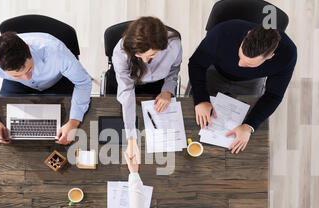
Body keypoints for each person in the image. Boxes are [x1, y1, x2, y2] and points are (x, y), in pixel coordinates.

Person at [188, 19, 297, 154]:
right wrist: (201, 99)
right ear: (247, 35)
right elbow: (196, 64)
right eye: (240, 56)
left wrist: (249, 126)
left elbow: (273, 95)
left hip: (250, 82)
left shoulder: (288, 54)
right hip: (215, 72)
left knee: (245, 129)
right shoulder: (222, 32)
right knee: (193, 119)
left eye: (249, 64)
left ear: (270, 56)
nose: (240, 64)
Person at [0, 31, 92, 145]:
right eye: (17, 74)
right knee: (9, 129)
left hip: (57, 81)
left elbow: (83, 82)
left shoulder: (55, 51)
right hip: (17, 85)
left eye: (29, 69)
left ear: (28, 48)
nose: (27, 78)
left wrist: (73, 122)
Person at [112, 16, 182, 160]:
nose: (144, 61)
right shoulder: (121, 52)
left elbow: (174, 68)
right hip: (130, 83)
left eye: (152, 55)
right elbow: (126, 91)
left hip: (159, 85)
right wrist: (131, 138)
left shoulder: (174, 45)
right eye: (139, 55)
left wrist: (167, 90)